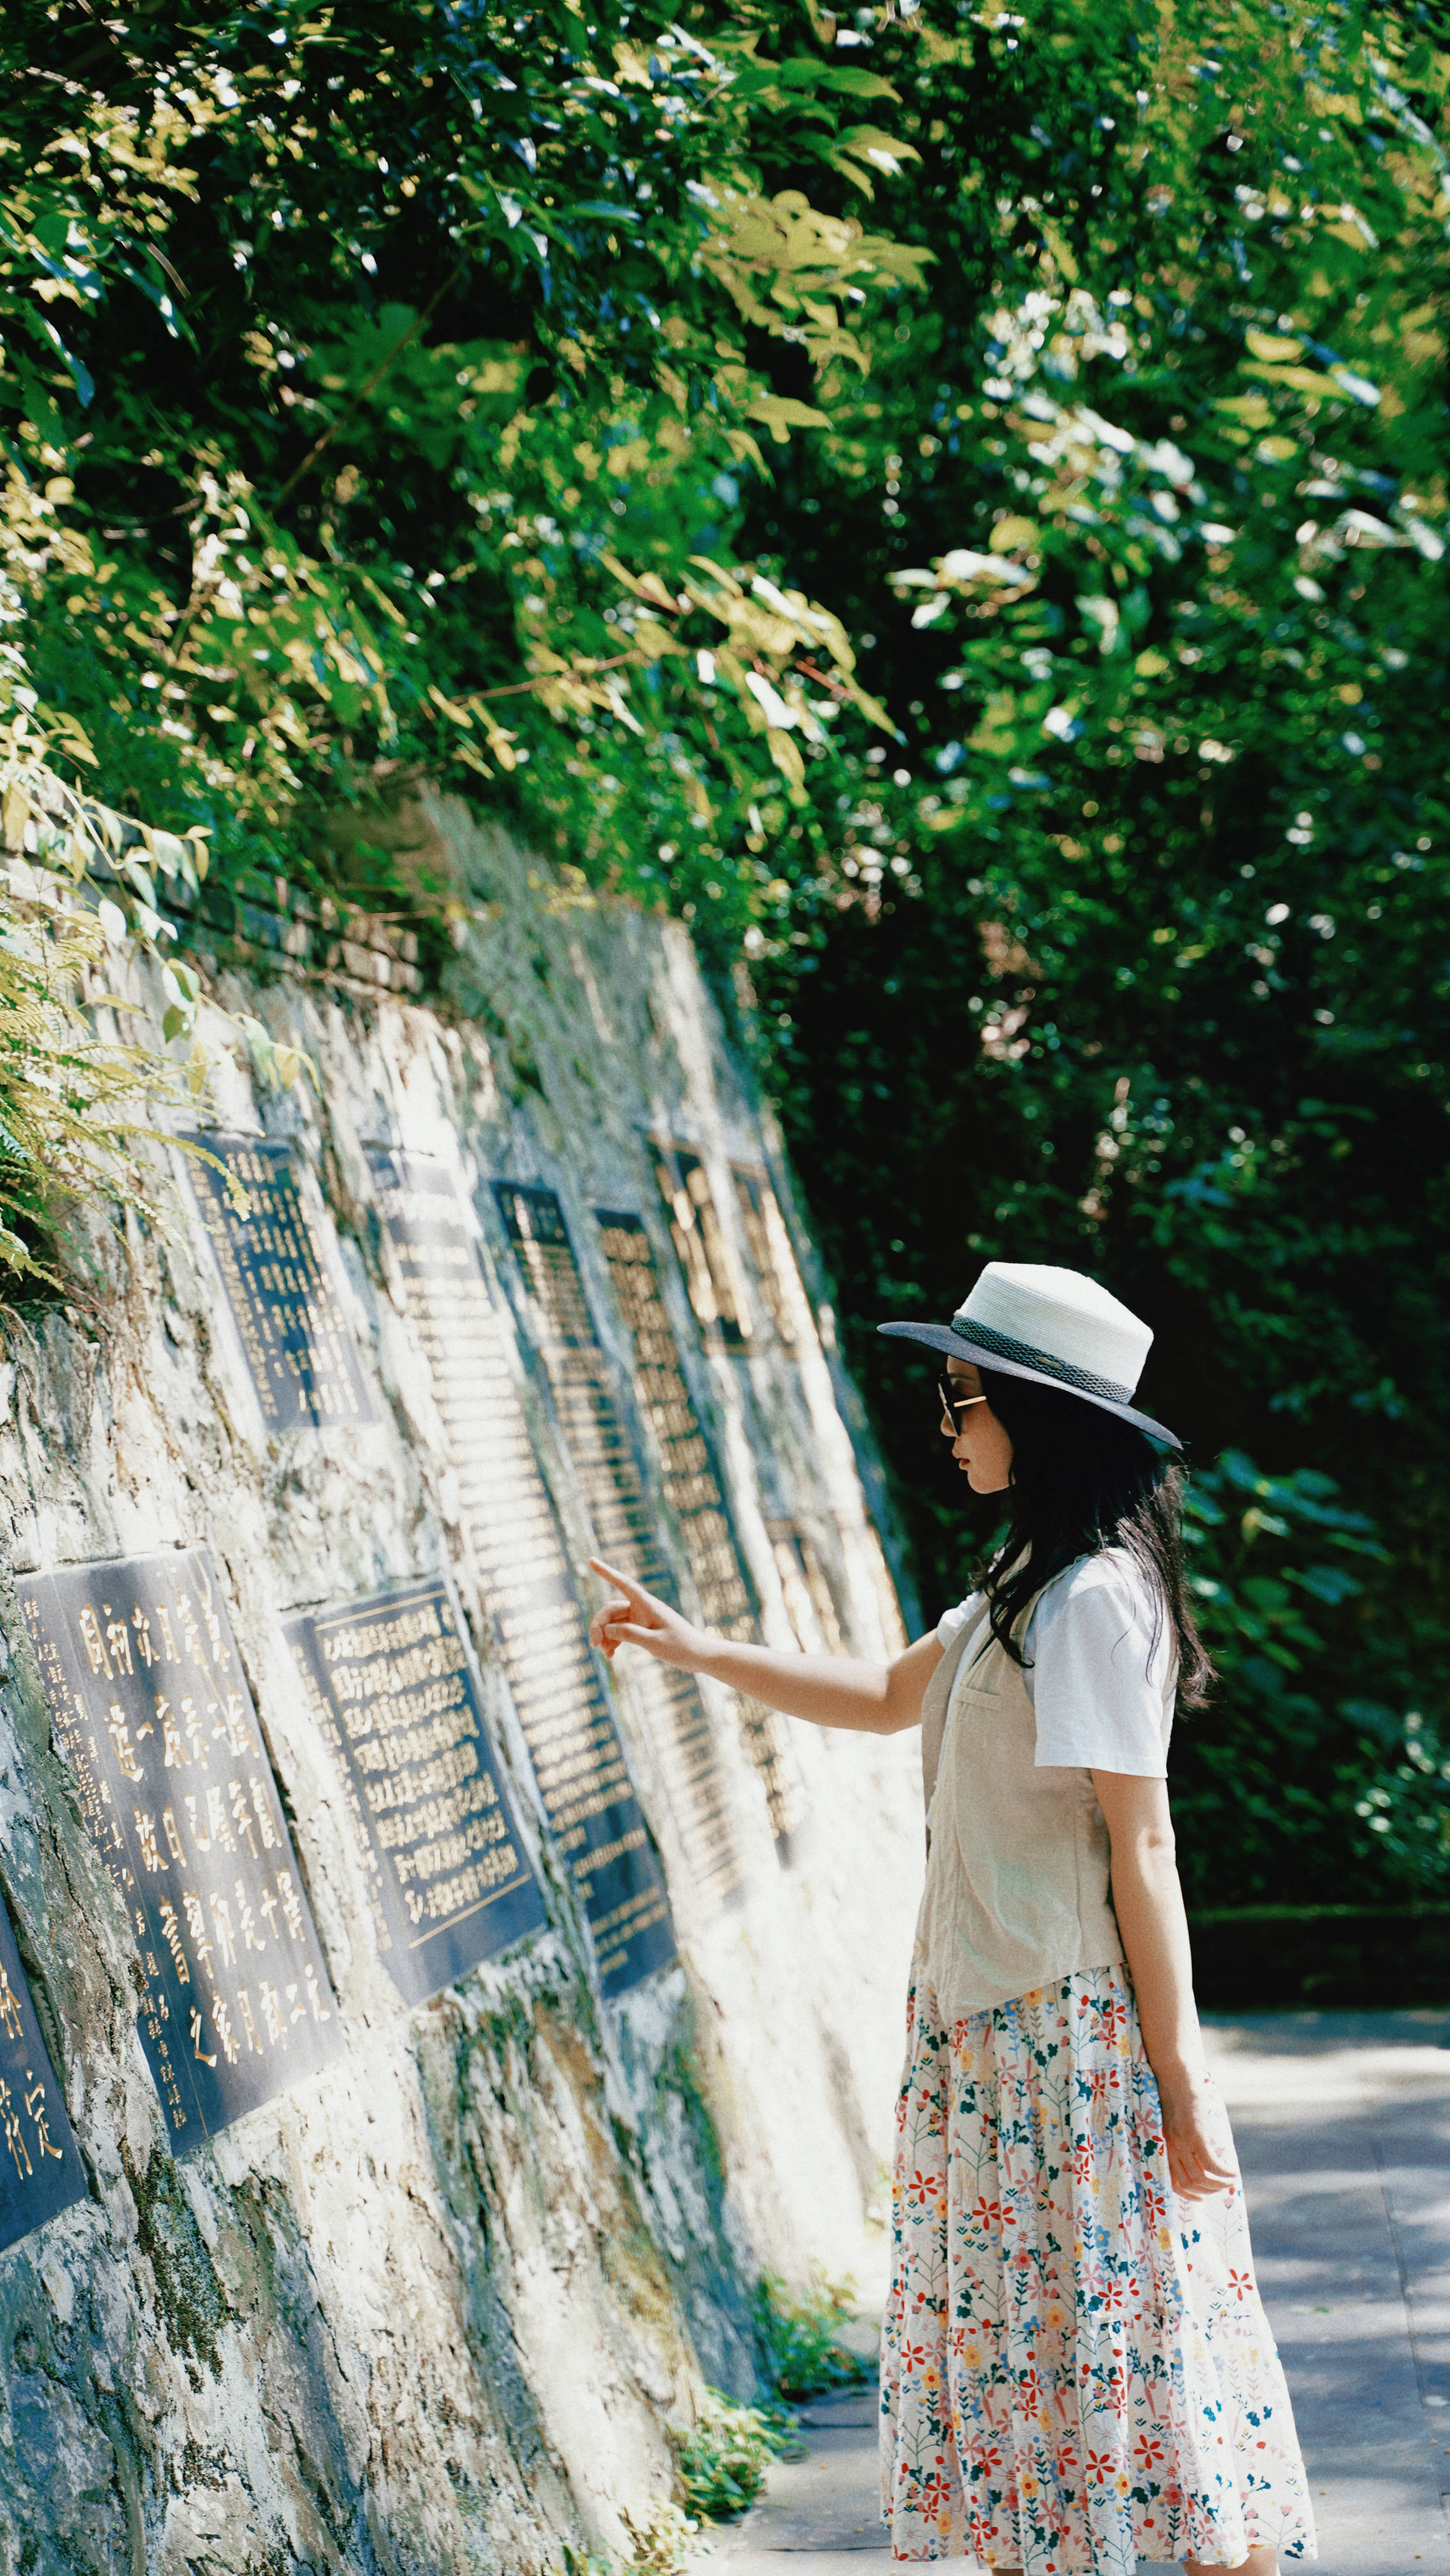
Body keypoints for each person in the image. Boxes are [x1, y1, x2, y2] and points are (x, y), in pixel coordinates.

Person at [589, 1260, 1316, 2576]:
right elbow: (878, 1692)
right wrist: (692, 1648)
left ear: (1038, 1415)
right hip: (988, 2031)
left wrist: (1181, 2077)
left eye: (962, 1394)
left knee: (1129, 2351)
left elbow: (1140, 1844)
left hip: (1063, 2038)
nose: (947, 1420)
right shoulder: (1023, 1584)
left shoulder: (1091, 1601)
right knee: (1037, 2359)